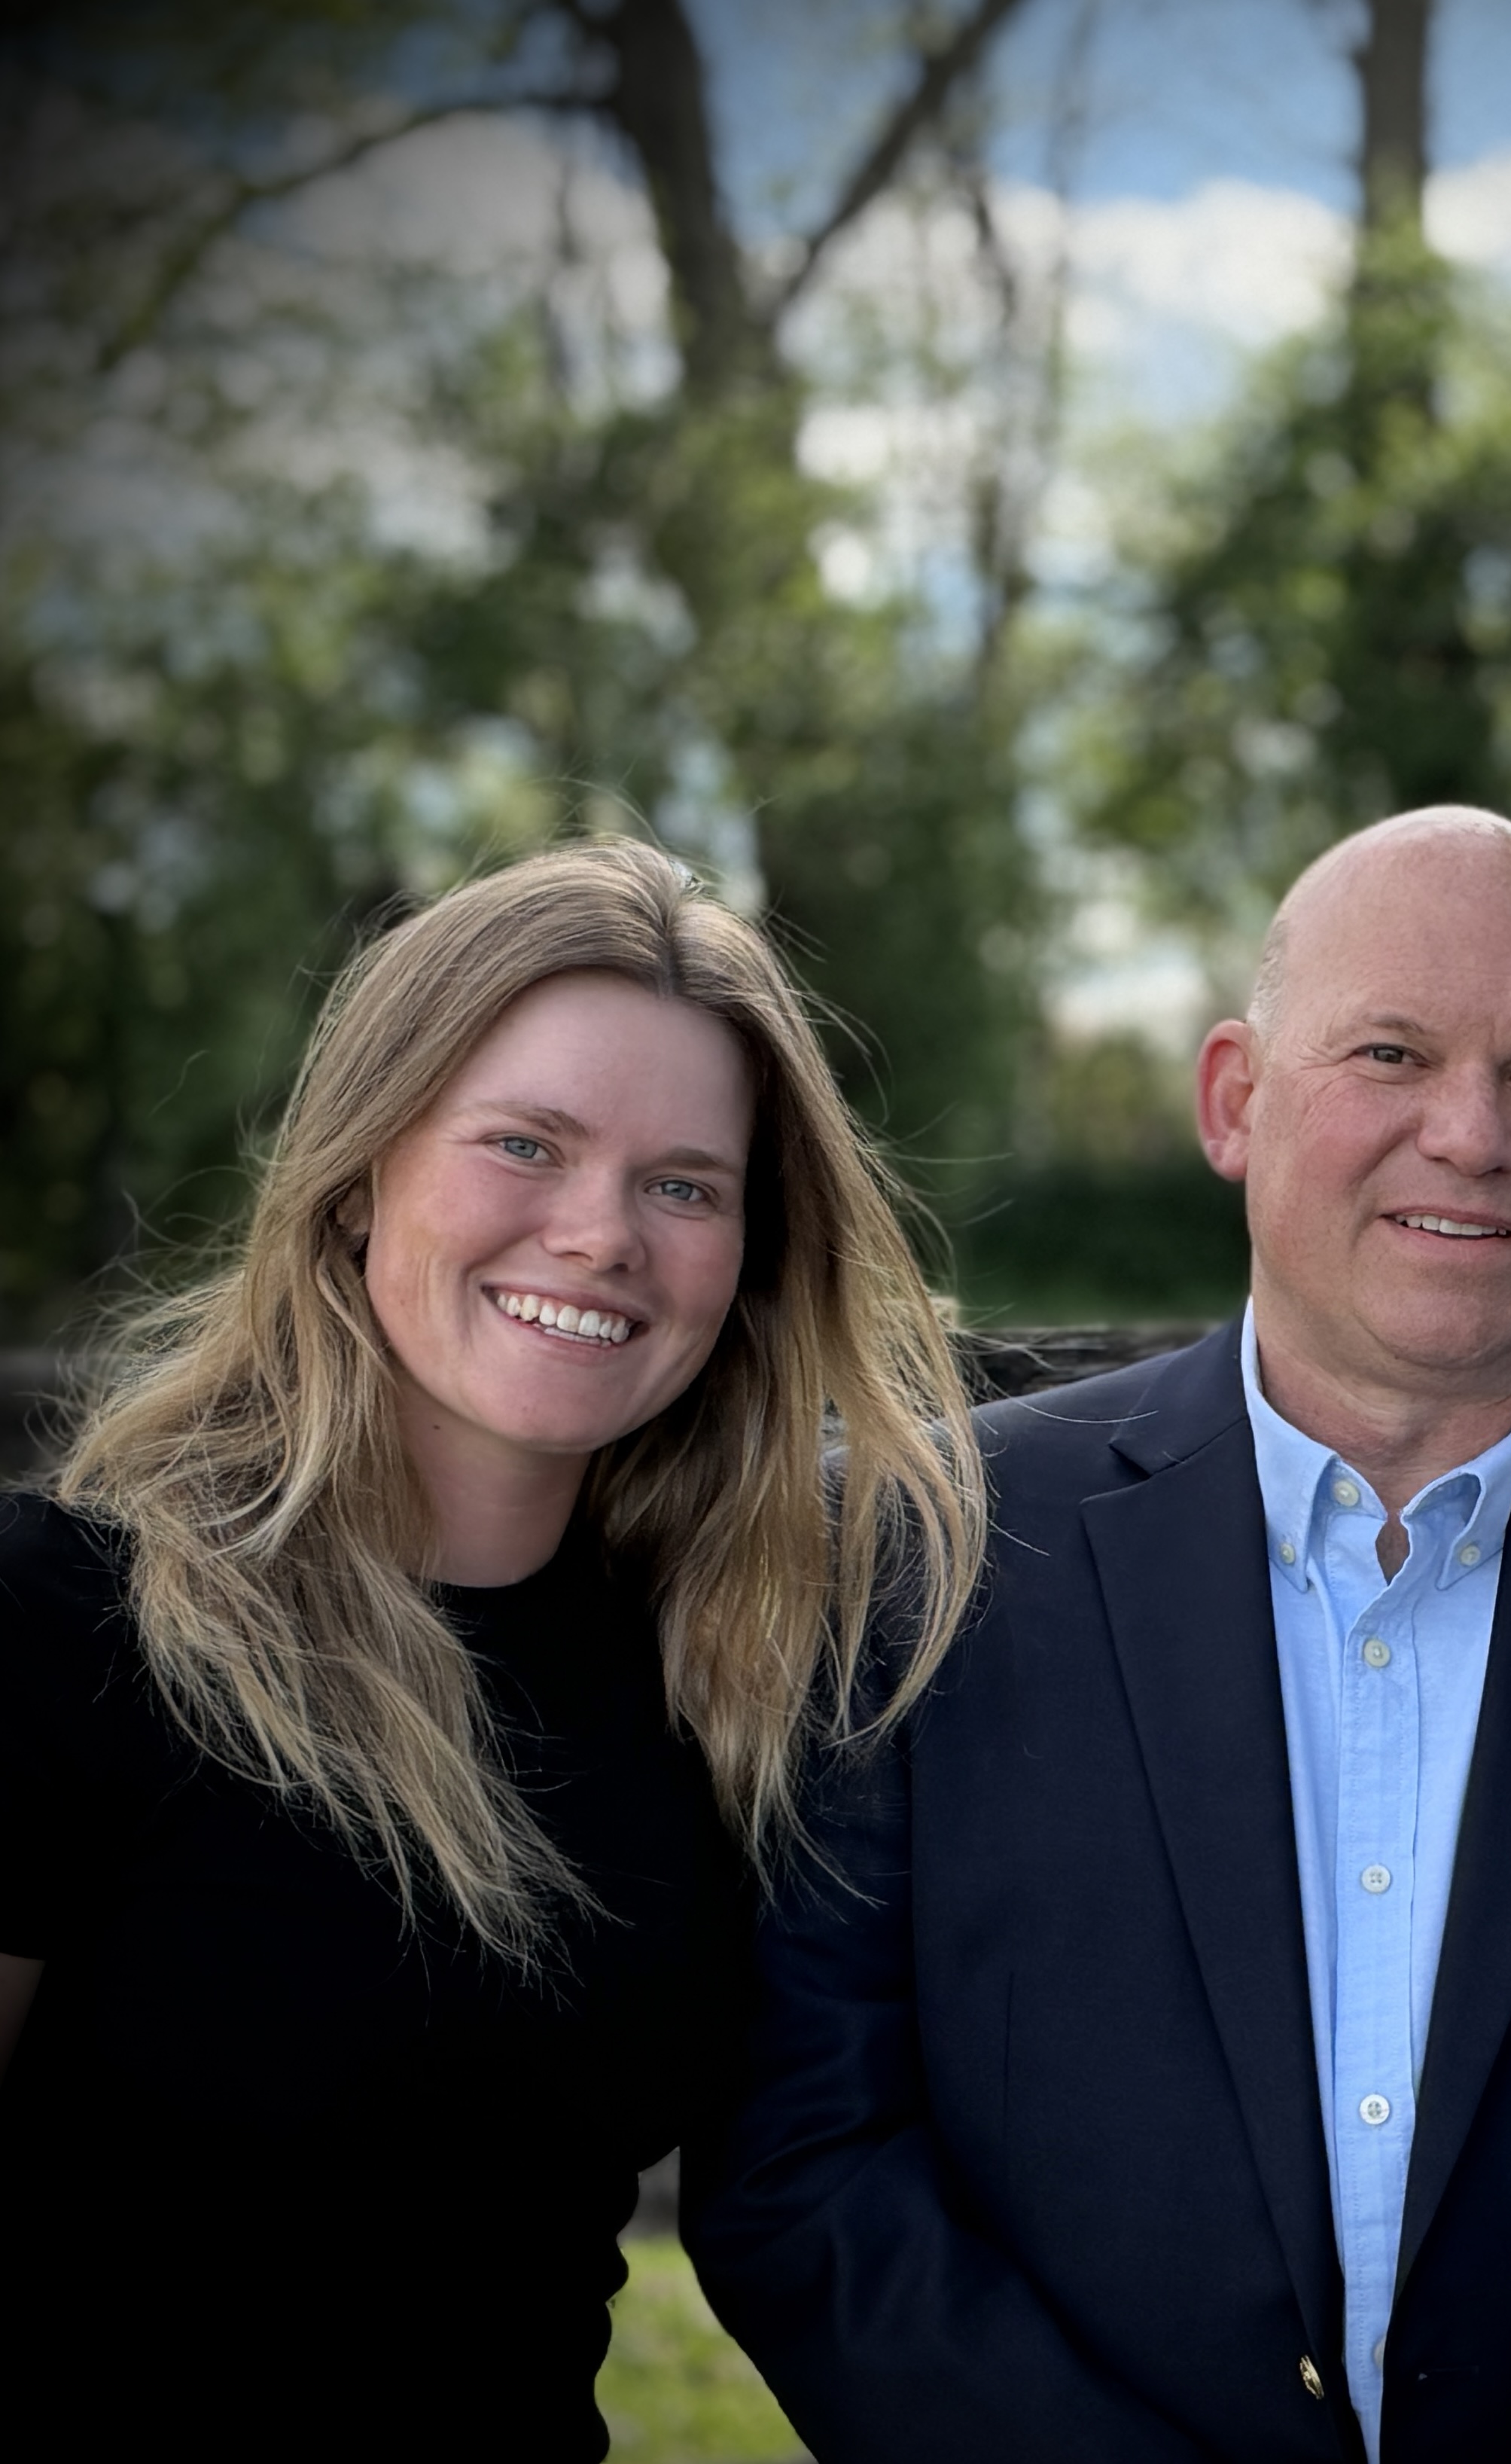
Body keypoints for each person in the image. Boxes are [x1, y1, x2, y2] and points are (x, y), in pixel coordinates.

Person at [690, 807, 1511, 2463]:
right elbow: (804, 2159)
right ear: (1231, 1101)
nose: (1469, 1133)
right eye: (1389, 1051)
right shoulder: (921, 1551)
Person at [0, 838, 985, 2460]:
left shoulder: (718, 1681)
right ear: (362, 1161)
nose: (601, 1234)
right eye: (526, 1145)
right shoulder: (69, 1628)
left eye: (684, 1183)